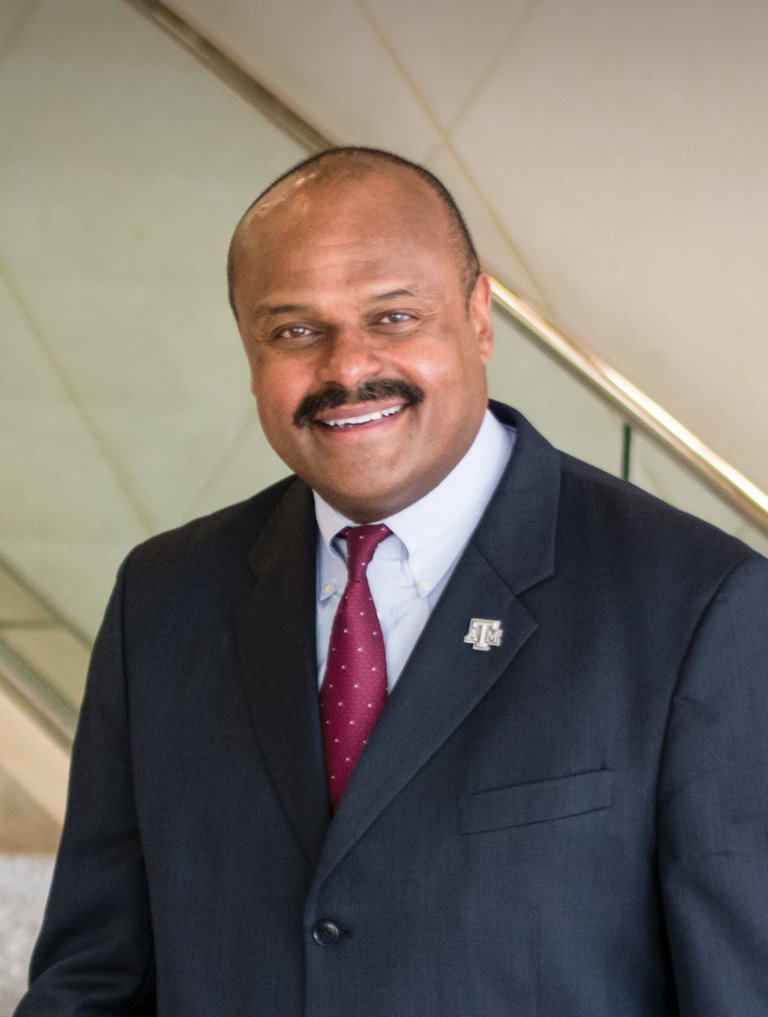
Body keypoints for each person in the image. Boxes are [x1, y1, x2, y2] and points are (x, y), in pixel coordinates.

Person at [16, 148, 768, 1016]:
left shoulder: (700, 607)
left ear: (479, 318)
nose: (346, 367)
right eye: (294, 330)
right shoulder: (164, 597)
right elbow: (95, 981)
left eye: (394, 316)